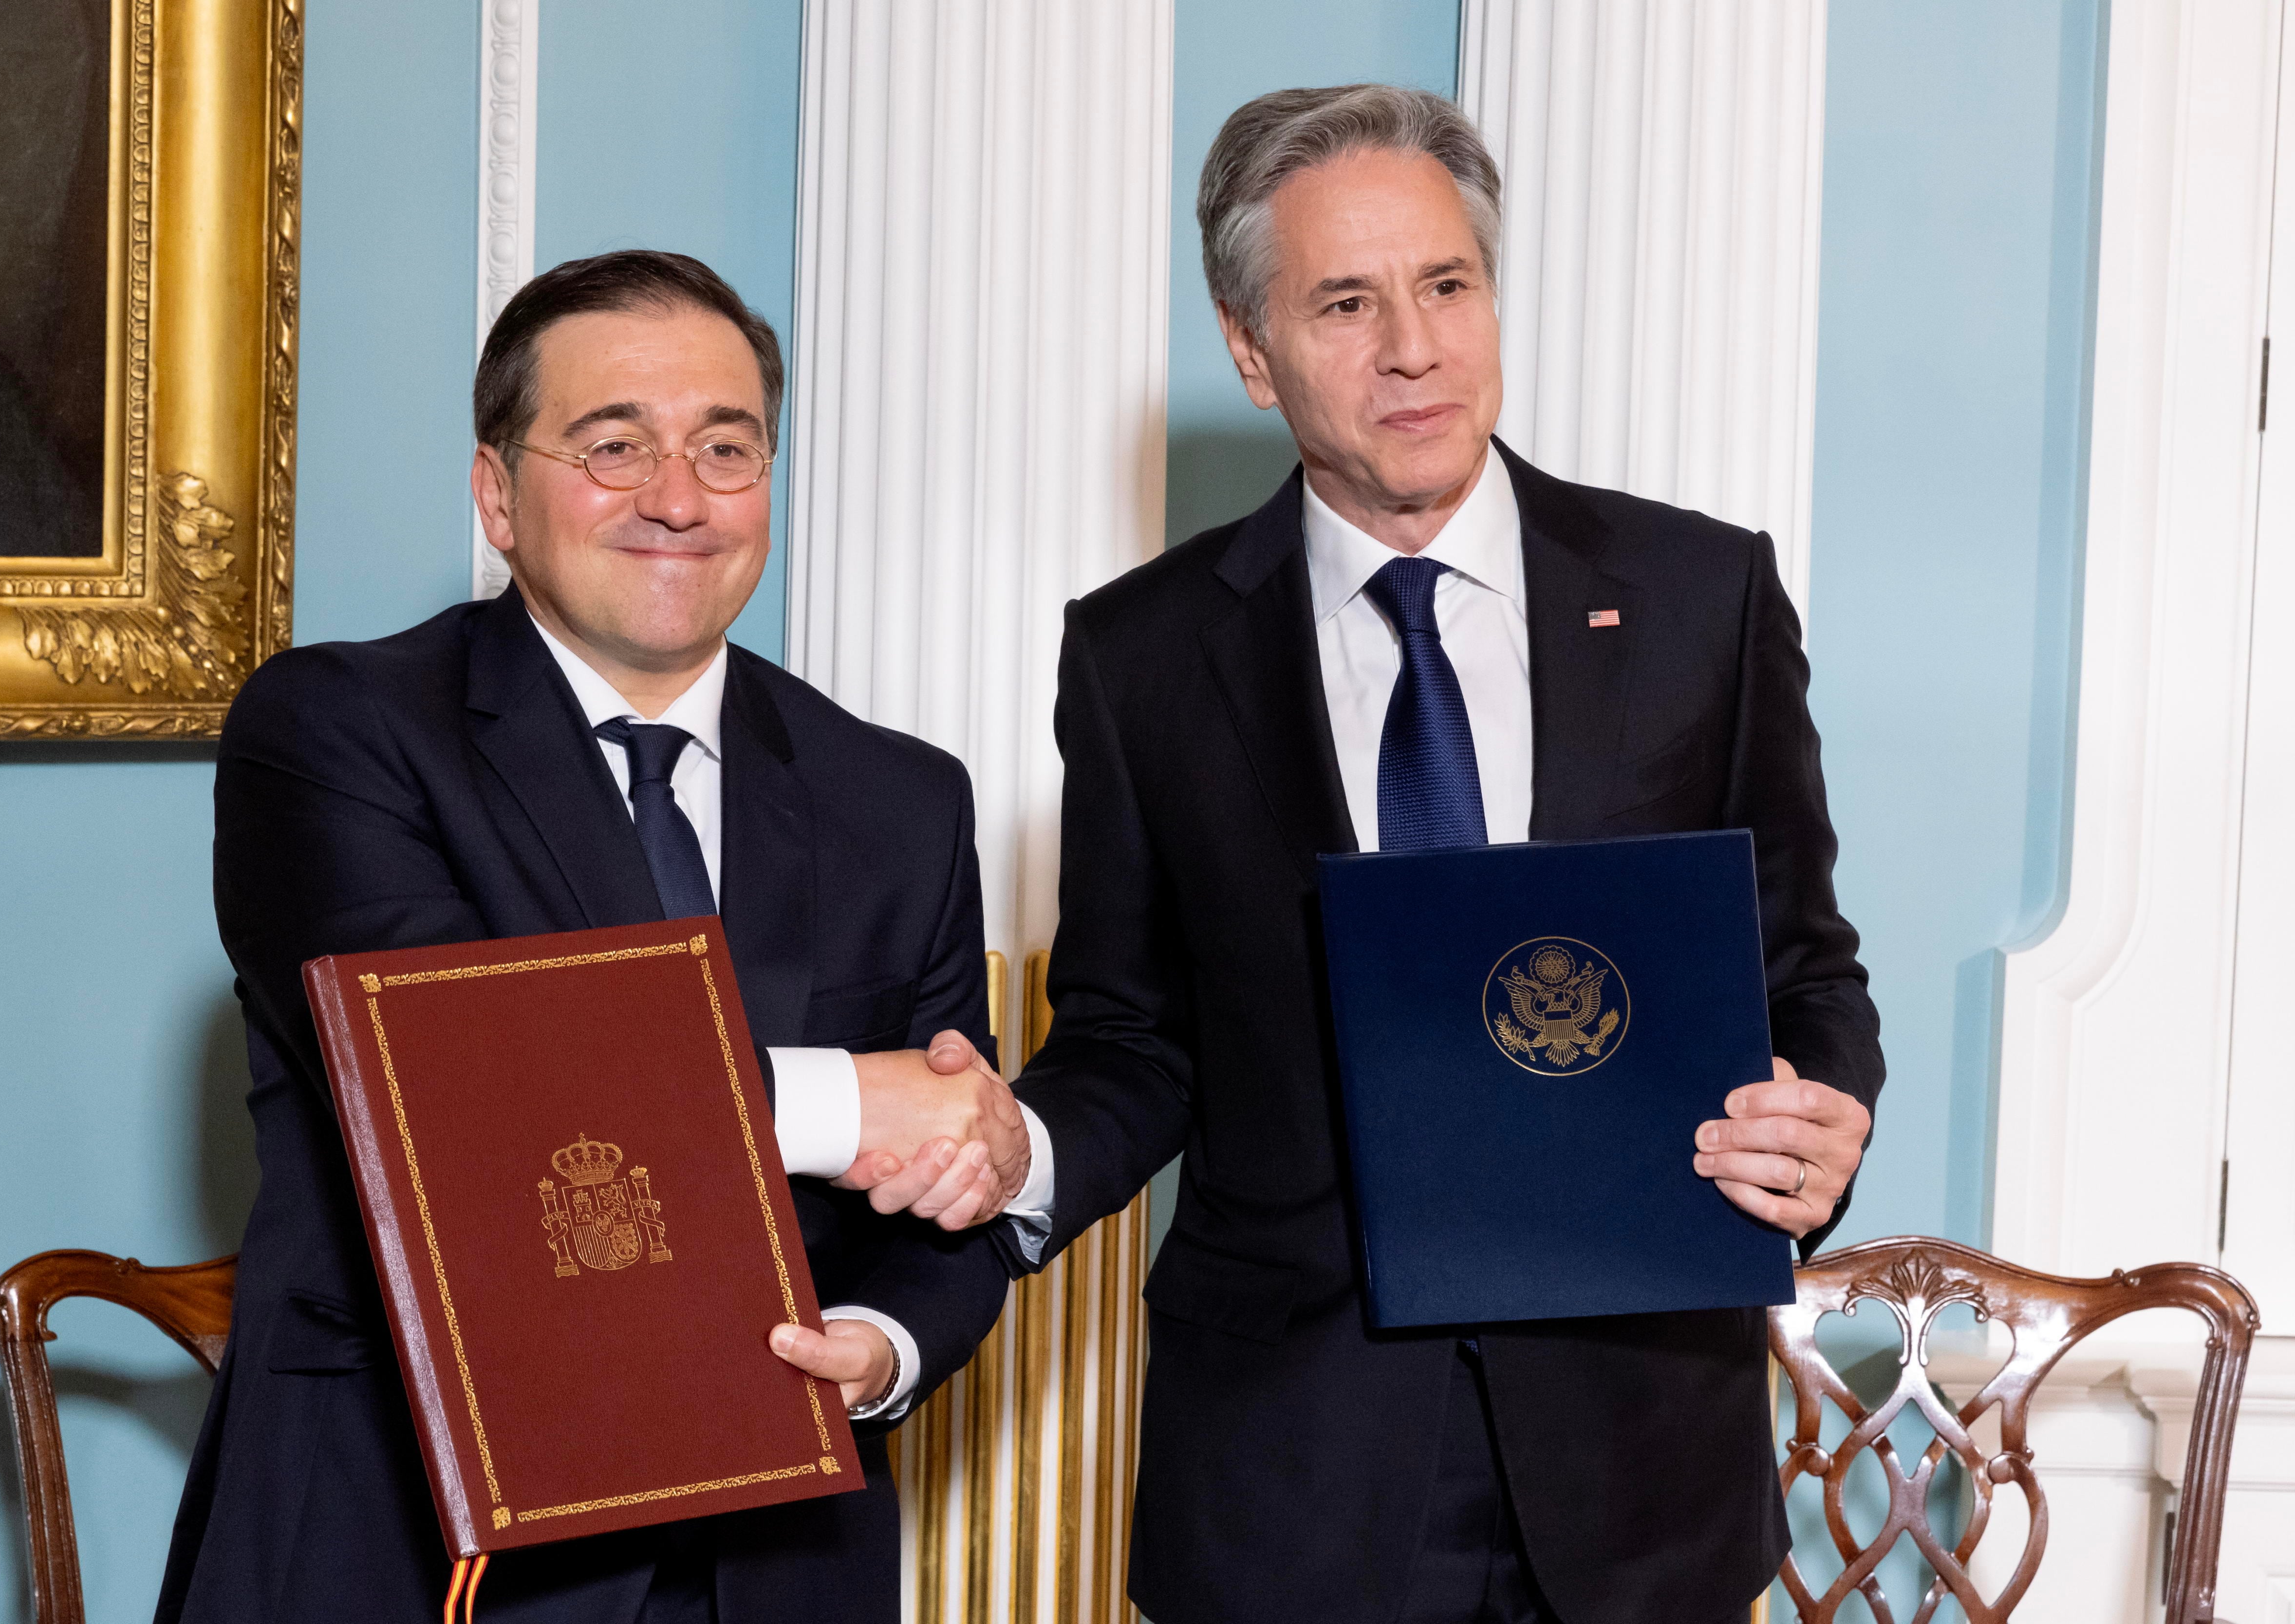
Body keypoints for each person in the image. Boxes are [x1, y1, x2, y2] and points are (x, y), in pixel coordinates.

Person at [922, 86, 1885, 1623]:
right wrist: (1014, 1150)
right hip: (1291, 1474)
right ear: (1252, 348)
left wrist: (1825, 1126)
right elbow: (1131, 1039)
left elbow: (1804, 972)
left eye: (1447, 285)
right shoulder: (1143, 657)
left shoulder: (1703, 597)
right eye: (1347, 303)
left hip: (1639, 1464)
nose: (1415, 347)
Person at [156, 250, 1025, 1624]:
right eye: (614, 446)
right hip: (414, 1543)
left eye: (725, 449)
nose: (676, 497)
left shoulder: (901, 798)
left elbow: (950, 1188)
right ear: (498, 494)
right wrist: (848, 1099)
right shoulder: (336, 733)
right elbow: (462, 1092)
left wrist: (884, 1345)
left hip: (778, 1557)